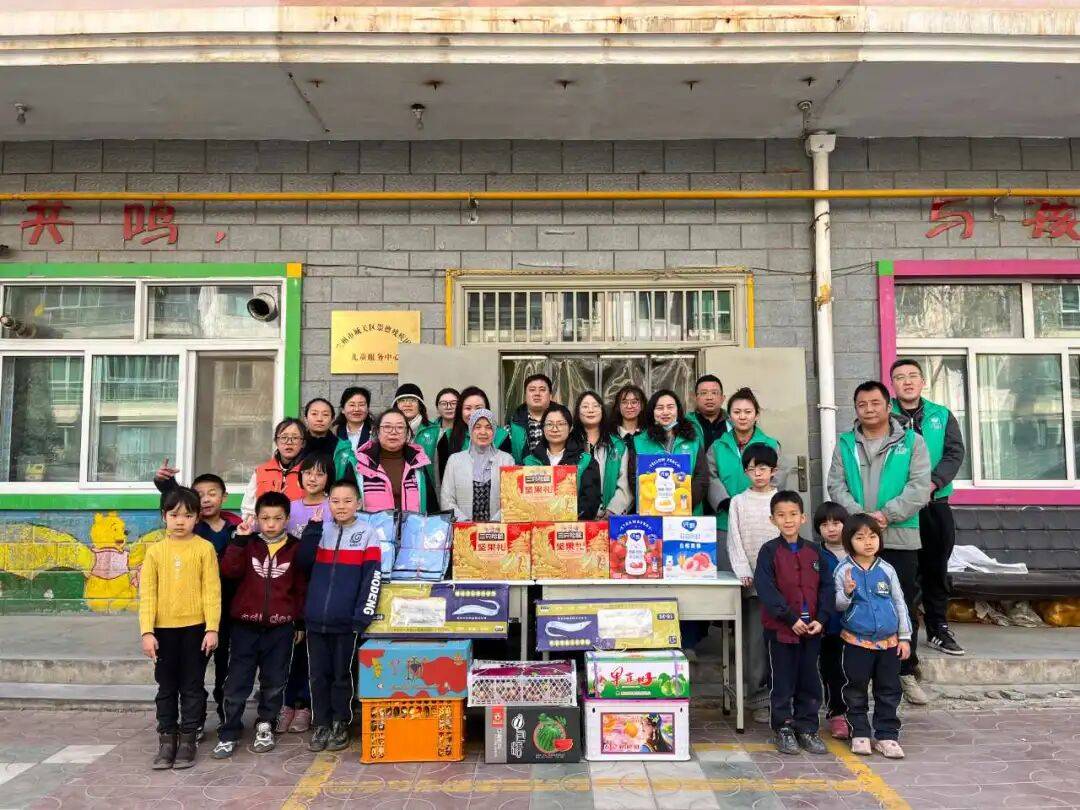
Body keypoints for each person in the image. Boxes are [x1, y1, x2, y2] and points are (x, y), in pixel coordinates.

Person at [827, 380, 931, 706]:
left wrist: (886, 515)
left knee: (903, 605)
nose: (869, 409)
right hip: (858, 539)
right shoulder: (846, 443)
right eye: (862, 404)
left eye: (875, 403)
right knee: (857, 601)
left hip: (899, 535)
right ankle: (860, 676)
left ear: (888, 406)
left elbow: (919, 486)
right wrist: (862, 520)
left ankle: (905, 671)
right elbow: (836, 485)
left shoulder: (912, 442)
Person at [213, 492, 307, 759]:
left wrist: (299, 621)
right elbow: (228, 571)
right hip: (245, 626)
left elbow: (300, 588)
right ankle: (229, 730)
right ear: (256, 518)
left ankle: (265, 724)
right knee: (237, 681)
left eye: (277, 518)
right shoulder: (248, 543)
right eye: (265, 518)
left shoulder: (295, 548)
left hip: (281, 627)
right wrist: (239, 541)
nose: (271, 524)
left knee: (274, 681)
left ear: (287, 519)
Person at [152, 465, 240, 731]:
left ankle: (227, 719)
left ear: (224, 497)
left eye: (212, 493)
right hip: (198, 613)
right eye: (200, 494)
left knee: (226, 666)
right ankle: (195, 723)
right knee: (194, 672)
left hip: (230, 608)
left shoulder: (237, 527)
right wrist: (165, 484)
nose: (206, 499)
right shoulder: (191, 528)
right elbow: (174, 502)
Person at [297, 479, 382, 752]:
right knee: (317, 676)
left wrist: (362, 616)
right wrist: (312, 530)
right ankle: (321, 723)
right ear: (328, 503)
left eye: (347, 501)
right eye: (335, 501)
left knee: (341, 675)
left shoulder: (368, 533)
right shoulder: (319, 530)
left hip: (346, 622)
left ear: (359, 503)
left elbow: (372, 579)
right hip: (315, 620)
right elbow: (302, 564)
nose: (341, 506)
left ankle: (340, 722)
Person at [139, 487, 221, 770]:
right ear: (164, 516)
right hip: (163, 631)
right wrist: (147, 632)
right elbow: (147, 595)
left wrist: (212, 628)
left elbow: (212, 591)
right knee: (166, 686)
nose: (180, 521)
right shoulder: (155, 552)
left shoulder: (204, 549)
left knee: (192, 686)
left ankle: (188, 739)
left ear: (197, 518)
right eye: (174, 515)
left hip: (196, 629)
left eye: (187, 515)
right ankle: (166, 740)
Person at [890, 358, 966, 657]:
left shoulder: (941, 415)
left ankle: (938, 628)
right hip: (899, 509)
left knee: (936, 569)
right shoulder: (884, 416)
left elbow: (954, 453)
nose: (907, 382)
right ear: (892, 385)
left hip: (935, 505)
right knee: (903, 573)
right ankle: (903, 632)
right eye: (900, 377)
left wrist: (933, 483)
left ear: (923, 382)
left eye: (913, 376)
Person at [753, 490, 833, 757]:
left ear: (803, 518)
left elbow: (827, 587)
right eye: (781, 515)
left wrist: (821, 619)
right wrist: (789, 617)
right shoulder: (769, 551)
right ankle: (783, 727)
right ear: (772, 520)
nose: (788, 520)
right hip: (781, 630)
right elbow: (766, 589)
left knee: (809, 679)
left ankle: (807, 727)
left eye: (793, 514)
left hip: (812, 630)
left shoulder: (815, 551)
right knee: (782, 680)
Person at [834, 514, 912, 759]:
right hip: (856, 642)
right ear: (849, 541)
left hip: (889, 643)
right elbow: (837, 605)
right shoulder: (844, 570)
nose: (868, 542)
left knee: (888, 690)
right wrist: (847, 592)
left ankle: (887, 735)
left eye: (872, 536)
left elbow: (899, 602)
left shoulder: (887, 569)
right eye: (860, 537)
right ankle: (859, 732)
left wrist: (904, 637)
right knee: (855, 688)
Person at [725, 443, 780, 720]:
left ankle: (781, 696)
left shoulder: (782, 500)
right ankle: (758, 699)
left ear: (774, 470)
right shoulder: (738, 502)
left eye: (762, 468)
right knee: (755, 642)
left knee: (782, 640)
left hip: (782, 582)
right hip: (753, 582)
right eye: (751, 469)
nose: (757, 474)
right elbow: (734, 540)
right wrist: (743, 570)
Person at [280, 453, 333, 735]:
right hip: (291, 588)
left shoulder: (333, 507)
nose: (313, 478)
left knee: (313, 652)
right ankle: (288, 704)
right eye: (308, 473)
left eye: (320, 473)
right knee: (292, 649)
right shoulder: (289, 509)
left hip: (321, 586)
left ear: (328, 479)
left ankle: (306, 705)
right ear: (299, 477)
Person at [708, 387, 782, 533]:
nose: (742, 417)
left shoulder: (771, 445)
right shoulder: (717, 446)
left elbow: (778, 477)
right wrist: (725, 502)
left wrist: (760, 500)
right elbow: (710, 477)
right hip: (726, 520)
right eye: (737, 412)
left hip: (762, 517)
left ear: (756, 415)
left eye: (748, 412)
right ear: (729, 416)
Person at [344, 409, 437, 513]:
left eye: (400, 427)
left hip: (413, 523)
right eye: (387, 427)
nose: (393, 432)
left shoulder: (418, 463)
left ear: (407, 433)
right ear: (377, 431)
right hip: (370, 524)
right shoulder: (359, 465)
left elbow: (431, 508)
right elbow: (346, 506)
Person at [633, 390, 709, 515]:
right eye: (660, 408)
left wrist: (682, 503)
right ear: (652, 412)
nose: (665, 412)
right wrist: (653, 501)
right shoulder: (639, 441)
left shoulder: (692, 441)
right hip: (651, 512)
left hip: (687, 512)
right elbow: (633, 478)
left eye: (670, 407)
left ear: (678, 411)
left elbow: (702, 478)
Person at [524, 403, 602, 520]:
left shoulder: (585, 462)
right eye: (549, 424)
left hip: (572, 527)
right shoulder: (529, 462)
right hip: (537, 526)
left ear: (570, 428)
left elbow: (590, 503)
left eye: (561, 424)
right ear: (542, 428)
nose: (555, 429)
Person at [813, 500, 851, 740]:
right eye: (825, 524)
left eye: (836, 523)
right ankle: (837, 713)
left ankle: (856, 714)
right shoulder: (815, 554)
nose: (831, 528)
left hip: (859, 627)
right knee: (833, 671)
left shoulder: (859, 552)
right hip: (830, 627)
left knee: (855, 673)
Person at [440, 408, 516, 522]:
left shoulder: (507, 460)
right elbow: (447, 500)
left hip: (497, 529)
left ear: (494, 431)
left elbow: (512, 499)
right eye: (478, 427)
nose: (483, 432)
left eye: (488, 427)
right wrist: (466, 524)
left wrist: (493, 524)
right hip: (462, 528)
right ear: (471, 430)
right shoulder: (454, 461)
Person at [573, 390, 631, 517]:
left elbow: (625, 483)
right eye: (585, 406)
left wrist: (612, 511)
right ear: (578, 412)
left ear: (602, 411)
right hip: (575, 518)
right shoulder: (569, 444)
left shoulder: (617, 445)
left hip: (609, 517)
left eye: (595, 406)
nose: (590, 410)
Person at [242, 418, 307, 519]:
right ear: (276, 441)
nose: (289, 442)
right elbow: (248, 510)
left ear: (303, 443)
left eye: (295, 438)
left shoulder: (309, 472)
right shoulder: (261, 471)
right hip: (267, 527)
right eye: (284, 437)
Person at [415, 388, 460, 489]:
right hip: (432, 489)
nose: (449, 407)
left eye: (453, 403)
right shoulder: (426, 432)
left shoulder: (469, 433)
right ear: (437, 407)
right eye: (443, 403)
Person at [508, 373, 555, 462]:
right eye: (532, 390)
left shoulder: (565, 423)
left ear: (550, 396)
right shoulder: (512, 427)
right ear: (525, 396)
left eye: (542, 390)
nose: (537, 393)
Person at [687, 374, 727, 450]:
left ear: (722, 398)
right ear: (695, 398)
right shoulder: (685, 423)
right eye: (704, 393)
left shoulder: (733, 423)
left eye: (714, 393)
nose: (709, 398)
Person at [333, 386, 373, 454]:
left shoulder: (376, 432)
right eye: (352, 405)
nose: (356, 409)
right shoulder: (334, 432)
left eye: (361, 405)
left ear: (368, 409)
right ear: (342, 409)